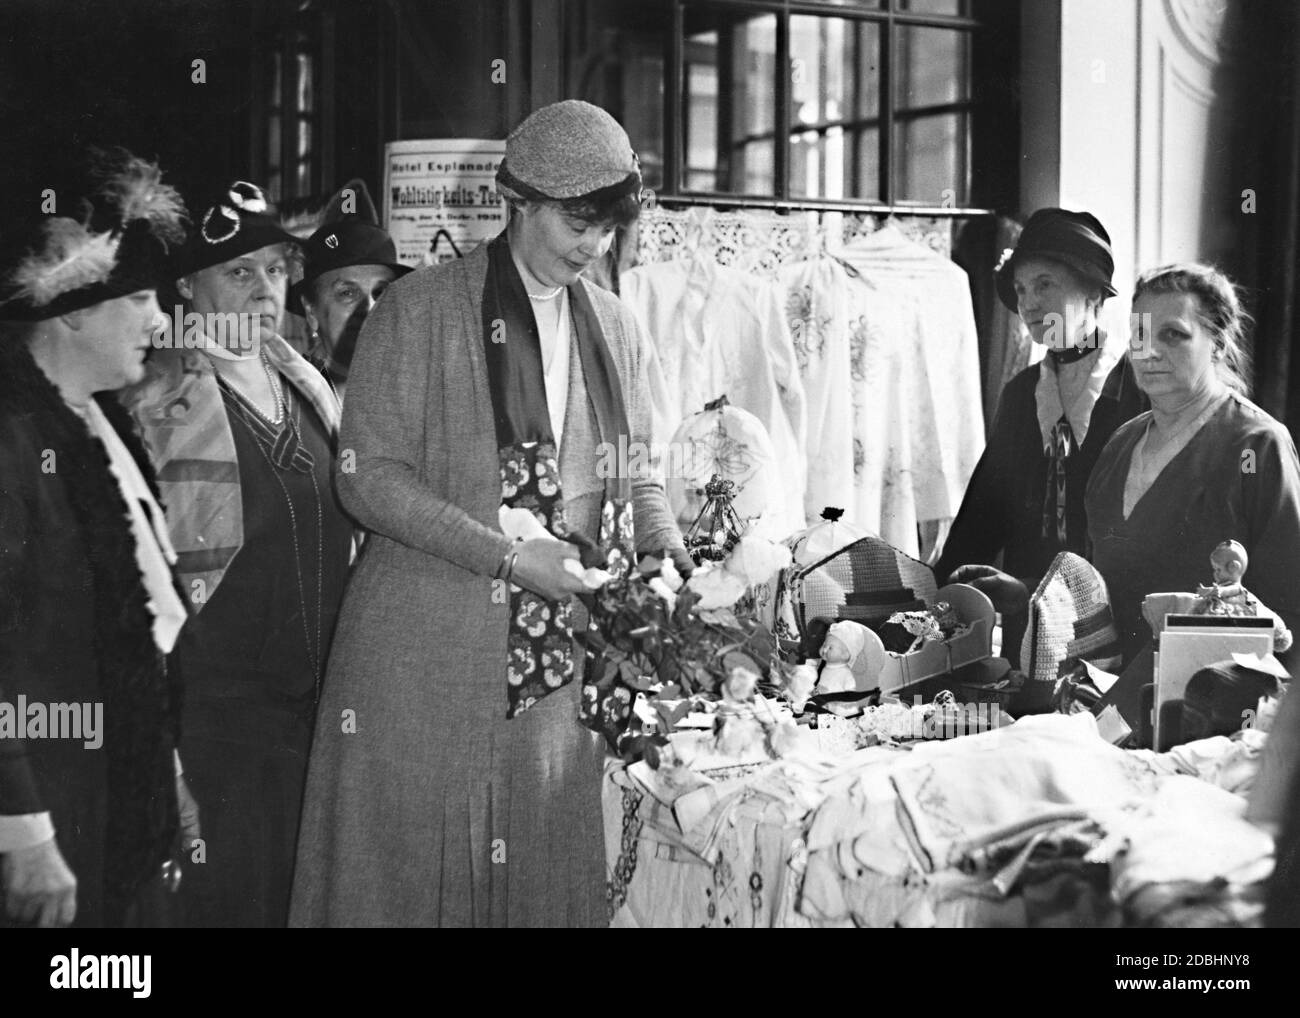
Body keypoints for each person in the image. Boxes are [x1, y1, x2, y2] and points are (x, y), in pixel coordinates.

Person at [290, 100, 688, 927]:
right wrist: (508, 559)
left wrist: (669, 553)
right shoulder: (417, 309)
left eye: (608, 230)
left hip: (553, 684)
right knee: (404, 886)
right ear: (520, 201)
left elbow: (637, 473)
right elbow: (368, 480)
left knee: (537, 881)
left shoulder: (616, 326)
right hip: (419, 665)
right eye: (578, 224)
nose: (594, 247)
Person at [121, 180, 354, 927]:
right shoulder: (153, 402)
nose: (264, 290)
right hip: (212, 727)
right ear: (187, 285)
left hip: (310, 723)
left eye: (277, 271)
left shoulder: (305, 383)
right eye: (239, 272)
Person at [0, 151, 193, 927]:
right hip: (52, 819)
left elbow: (145, 623)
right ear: (72, 307)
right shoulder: (14, 438)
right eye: (140, 297)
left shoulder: (103, 420)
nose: (162, 320)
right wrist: (23, 834)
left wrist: (165, 770)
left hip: (117, 796)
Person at [935, 209, 1146, 667]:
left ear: (1093, 293)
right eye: (1021, 290)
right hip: (1028, 619)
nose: (1028, 303)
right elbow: (985, 510)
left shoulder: (1137, 387)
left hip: (1114, 615)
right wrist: (938, 596)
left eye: (1045, 284)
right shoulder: (1020, 393)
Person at [287, 178, 410, 400]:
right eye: (347, 293)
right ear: (311, 311)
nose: (369, 308)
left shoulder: (420, 395)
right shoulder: (291, 404)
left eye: (381, 293)